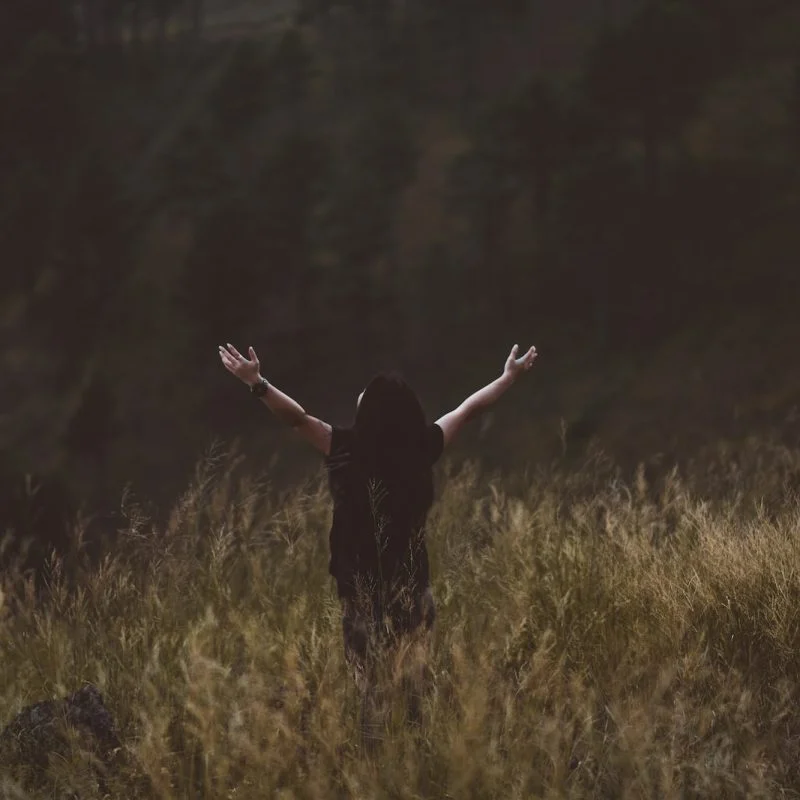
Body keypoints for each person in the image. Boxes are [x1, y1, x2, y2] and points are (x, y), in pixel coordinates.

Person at [218, 341, 538, 739]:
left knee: (370, 694)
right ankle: (416, 757)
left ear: (367, 410)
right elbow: (470, 409)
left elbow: (296, 418)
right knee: (415, 690)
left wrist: (257, 383)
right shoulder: (424, 448)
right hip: (413, 586)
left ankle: (375, 763)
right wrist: (508, 377)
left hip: (360, 591)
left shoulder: (344, 448)